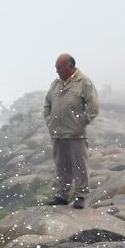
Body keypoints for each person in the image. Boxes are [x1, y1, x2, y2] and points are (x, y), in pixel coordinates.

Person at [43, 52, 99, 208]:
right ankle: (61, 195)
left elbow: (93, 106)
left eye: (59, 67)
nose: (57, 70)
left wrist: (80, 123)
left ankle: (81, 196)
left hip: (76, 135)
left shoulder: (84, 82)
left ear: (70, 66)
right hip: (57, 133)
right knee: (61, 166)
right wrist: (49, 121)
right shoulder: (55, 84)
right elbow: (47, 104)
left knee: (79, 165)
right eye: (56, 67)